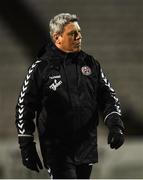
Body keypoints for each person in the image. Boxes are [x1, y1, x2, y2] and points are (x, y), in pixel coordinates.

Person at [15, 13, 125, 179]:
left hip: (85, 147)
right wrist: (26, 144)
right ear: (57, 37)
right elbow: (24, 107)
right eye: (73, 33)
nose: (79, 36)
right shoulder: (40, 68)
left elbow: (108, 96)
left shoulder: (90, 63)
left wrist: (115, 126)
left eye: (79, 32)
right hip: (57, 150)